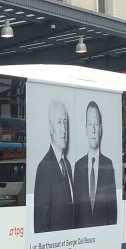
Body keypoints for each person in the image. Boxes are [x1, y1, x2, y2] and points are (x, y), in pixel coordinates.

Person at [33, 98, 75, 232]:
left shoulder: (67, 164)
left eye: (65, 122)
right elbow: (41, 223)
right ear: (51, 128)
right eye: (59, 122)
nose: (63, 130)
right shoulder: (44, 167)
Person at [74, 100, 117, 227]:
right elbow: (75, 209)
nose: (93, 129)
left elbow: (112, 207)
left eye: (96, 124)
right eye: (90, 124)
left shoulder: (108, 165)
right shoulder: (78, 166)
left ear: (100, 129)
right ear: (85, 128)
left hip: (103, 234)